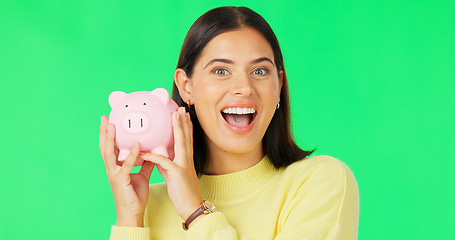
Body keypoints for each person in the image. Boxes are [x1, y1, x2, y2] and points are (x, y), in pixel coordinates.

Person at [99, 6, 359, 240]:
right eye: (221, 71)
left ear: (278, 85)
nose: (244, 88)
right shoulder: (148, 204)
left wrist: (194, 210)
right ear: (186, 87)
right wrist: (130, 218)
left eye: (259, 71)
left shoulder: (319, 183)